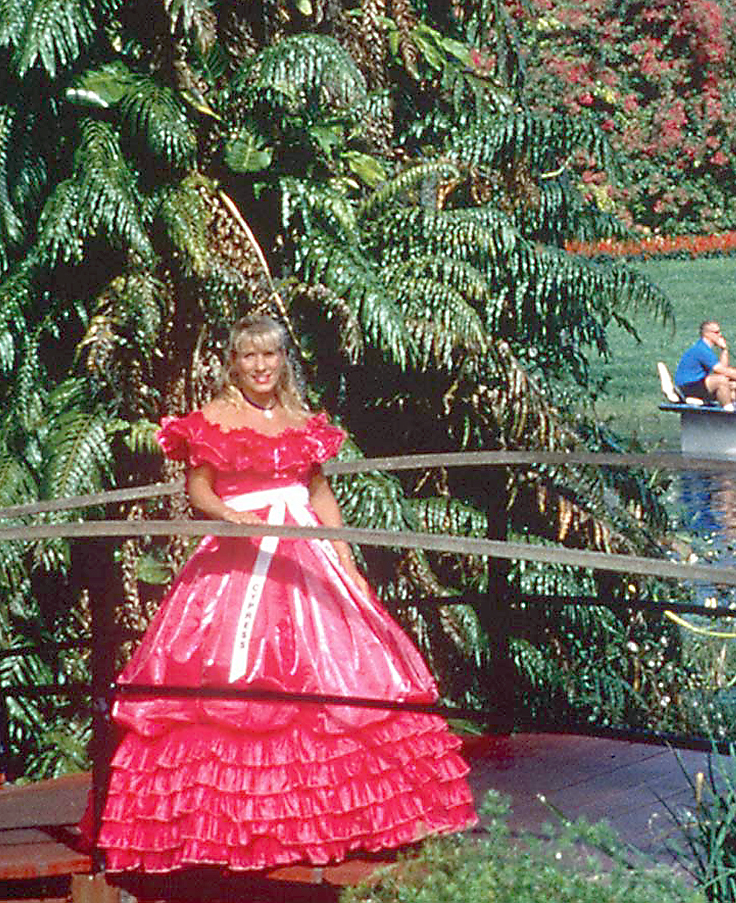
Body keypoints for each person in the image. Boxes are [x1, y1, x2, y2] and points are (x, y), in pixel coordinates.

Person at [86, 314, 476, 872]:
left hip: (308, 553)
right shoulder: (214, 420)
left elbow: (320, 492)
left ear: (283, 360)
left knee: (345, 680)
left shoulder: (301, 420)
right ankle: (240, 833)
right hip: (243, 560)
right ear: (233, 363)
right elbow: (198, 491)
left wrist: (346, 560)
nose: (261, 366)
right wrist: (237, 520)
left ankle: (345, 822)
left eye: (269, 355)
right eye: (249, 356)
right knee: (236, 688)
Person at [675, 320, 736, 409]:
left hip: (697, 384)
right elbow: (722, 371)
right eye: (717, 332)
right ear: (707, 334)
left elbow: (722, 370)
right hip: (687, 386)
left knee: (732, 385)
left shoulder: (706, 349)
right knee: (721, 381)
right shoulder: (701, 349)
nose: (720, 335)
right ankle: (728, 410)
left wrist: (724, 350)